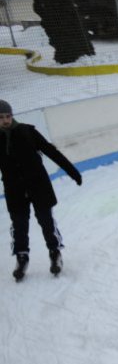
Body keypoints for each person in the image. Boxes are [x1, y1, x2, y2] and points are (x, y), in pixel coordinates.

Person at [0, 99, 81, 281]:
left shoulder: (27, 132)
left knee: (46, 222)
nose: (5, 120)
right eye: (1, 117)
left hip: (38, 186)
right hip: (14, 190)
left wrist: (72, 172)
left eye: (8, 116)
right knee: (19, 225)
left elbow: (51, 151)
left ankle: (55, 252)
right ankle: (21, 257)